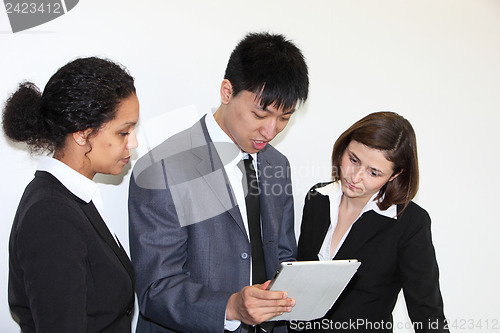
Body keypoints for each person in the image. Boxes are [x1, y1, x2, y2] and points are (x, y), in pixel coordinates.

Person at [129, 32, 309, 333]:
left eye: (284, 118)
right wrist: (230, 307)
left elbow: (282, 256)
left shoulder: (277, 164)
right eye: (259, 113)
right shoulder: (161, 168)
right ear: (227, 91)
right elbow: (156, 289)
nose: (270, 130)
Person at [4, 57, 139, 332]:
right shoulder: (51, 215)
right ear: (82, 134)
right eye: (124, 131)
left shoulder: (72, 199)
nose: (133, 142)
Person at [294, 112, 448, 332]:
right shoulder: (318, 197)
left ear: (394, 175)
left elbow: (427, 311)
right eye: (353, 160)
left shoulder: (410, 223)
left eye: (373, 172)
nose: (355, 177)